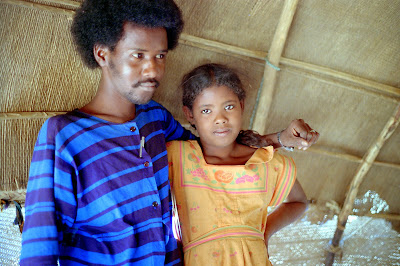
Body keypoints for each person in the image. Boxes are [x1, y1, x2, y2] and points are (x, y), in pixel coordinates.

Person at [20, 1, 318, 265]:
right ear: (101, 54)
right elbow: (39, 246)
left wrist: (277, 140)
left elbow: (215, 145)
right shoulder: (64, 136)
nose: (153, 70)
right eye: (138, 55)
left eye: (160, 56)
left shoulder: (156, 120)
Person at [167, 63, 313, 265]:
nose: (220, 119)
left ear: (242, 105)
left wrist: (265, 232)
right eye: (206, 110)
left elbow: (299, 202)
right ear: (190, 114)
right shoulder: (177, 157)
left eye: (229, 107)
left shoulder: (267, 161)